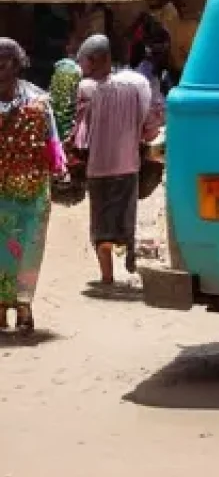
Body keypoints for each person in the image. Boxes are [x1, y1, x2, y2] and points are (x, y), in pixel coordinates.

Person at [72, 34, 161, 285]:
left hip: (98, 169)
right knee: (126, 215)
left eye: (85, 62)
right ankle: (130, 250)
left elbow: (81, 137)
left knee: (101, 226)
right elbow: (150, 127)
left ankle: (107, 276)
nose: (83, 68)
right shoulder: (136, 86)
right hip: (128, 166)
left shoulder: (88, 90)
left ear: (96, 60)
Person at [0, 39, 67, 333]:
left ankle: (24, 305)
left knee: (28, 247)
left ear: (17, 64)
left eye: (4, 61)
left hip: (32, 190)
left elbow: (52, 140)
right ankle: (1, 308)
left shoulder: (38, 100)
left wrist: (59, 167)